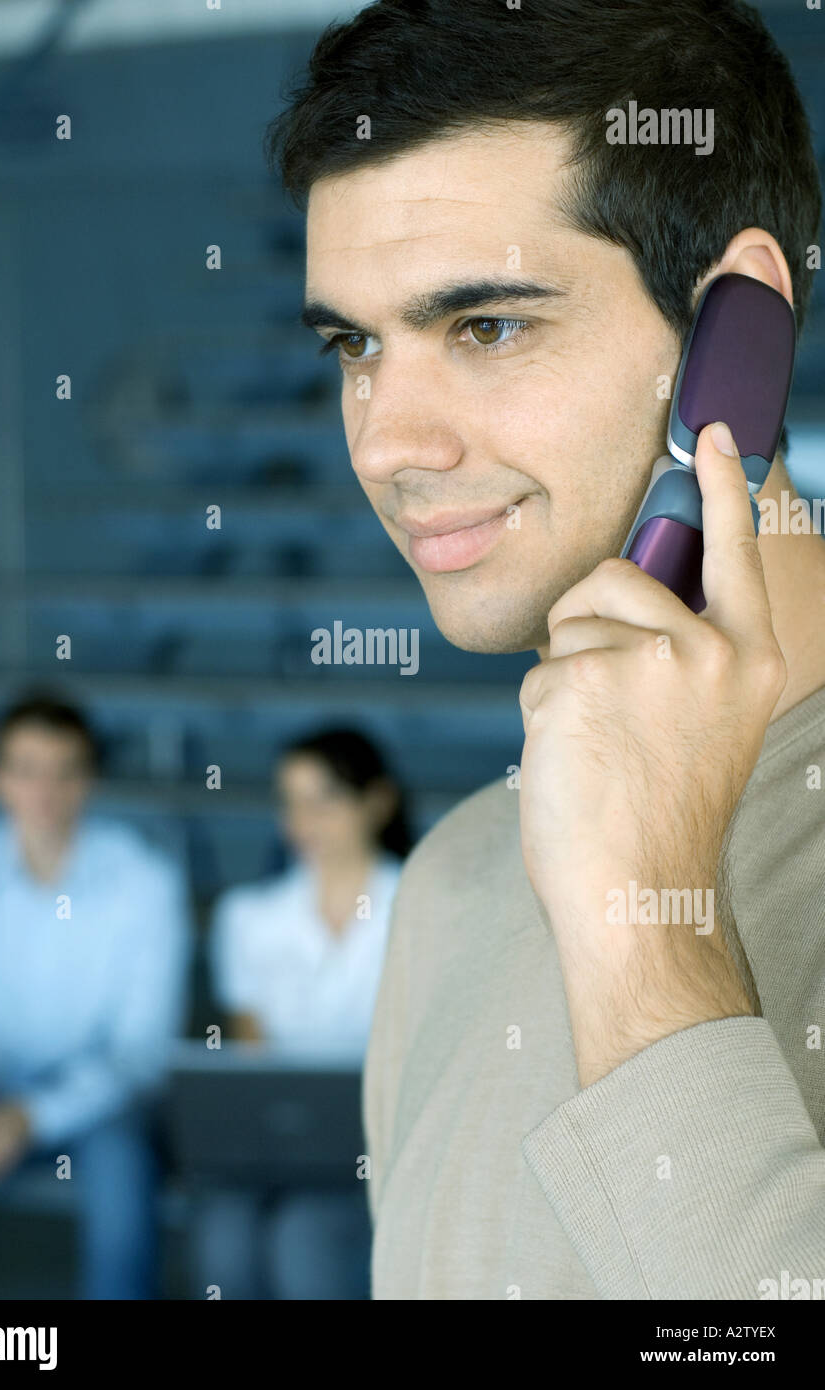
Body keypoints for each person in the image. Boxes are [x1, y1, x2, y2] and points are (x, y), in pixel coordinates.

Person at [265, 0, 825, 1299]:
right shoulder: (458, 874)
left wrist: (644, 932)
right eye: (354, 344)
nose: (384, 443)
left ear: (735, 332)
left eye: (485, 327)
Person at [0, 691, 191, 1299]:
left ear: (90, 780)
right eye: (26, 770)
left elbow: (138, 1053)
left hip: (87, 1104)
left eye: (65, 772)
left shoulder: (145, 882)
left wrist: (26, 1119)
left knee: (122, 1160)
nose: (45, 791)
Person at [196, 727, 409, 1299]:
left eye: (324, 799)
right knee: (225, 1238)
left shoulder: (420, 904)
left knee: (304, 1239)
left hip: (379, 1147)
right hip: (274, 1150)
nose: (302, 821)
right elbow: (253, 1058)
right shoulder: (250, 917)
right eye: (290, 802)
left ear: (377, 801)